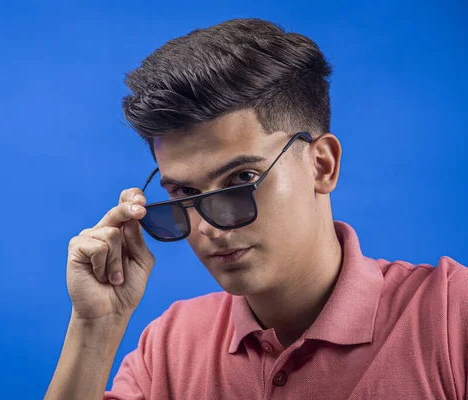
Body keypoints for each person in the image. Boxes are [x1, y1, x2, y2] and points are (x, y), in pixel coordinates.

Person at [44, 18, 467, 400]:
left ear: (323, 165)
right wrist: (96, 327)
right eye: (184, 192)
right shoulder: (170, 347)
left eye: (241, 180)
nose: (209, 226)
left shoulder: (451, 315)